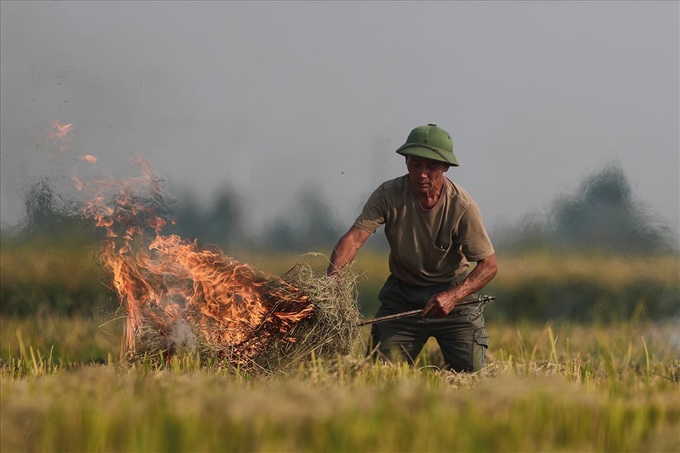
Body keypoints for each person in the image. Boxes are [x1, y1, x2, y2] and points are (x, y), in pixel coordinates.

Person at [326, 123, 498, 372]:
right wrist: (332, 280)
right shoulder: (388, 195)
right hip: (402, 297)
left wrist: (454, 296)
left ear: (445, 168)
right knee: (379, 376)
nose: (422, 174)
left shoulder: (462, 206)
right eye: (416, 164)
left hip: (454, 298)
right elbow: (354, 239)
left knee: (471, 377)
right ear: (406, 161)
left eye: (431, 166)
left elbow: (489, 265)